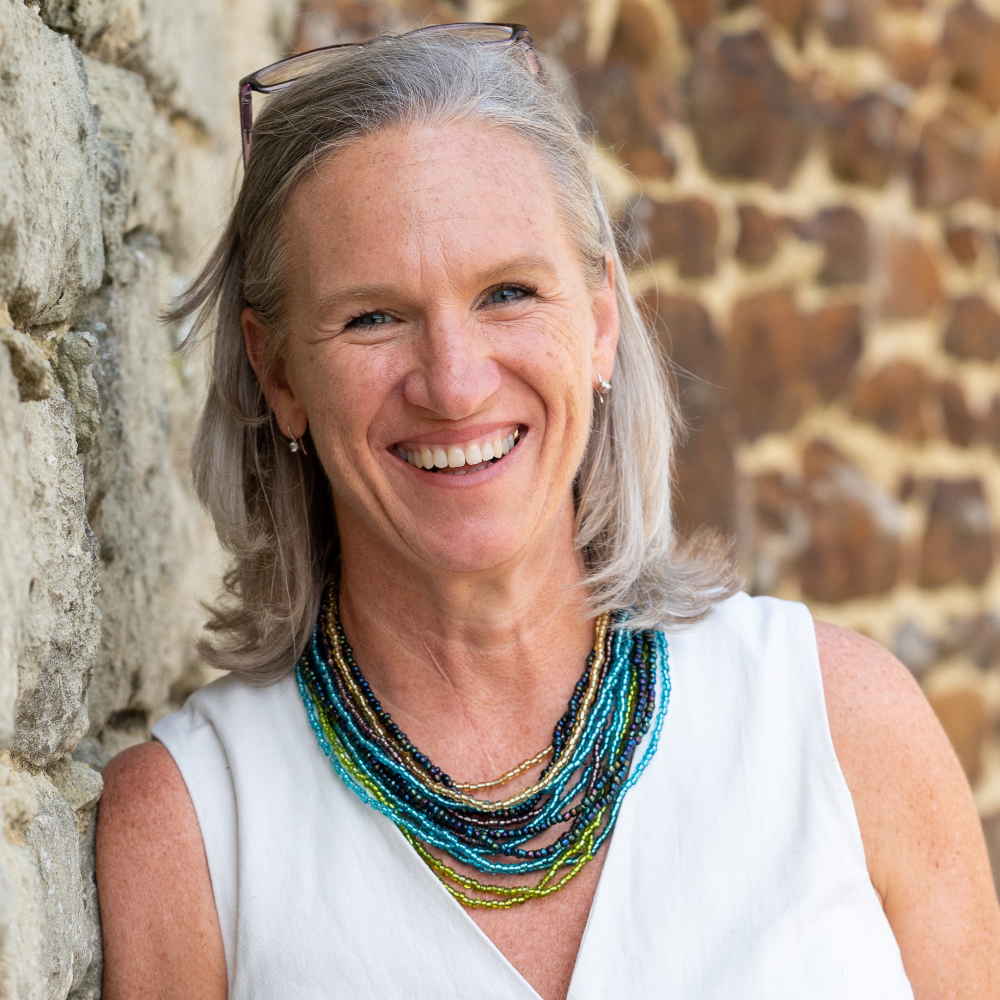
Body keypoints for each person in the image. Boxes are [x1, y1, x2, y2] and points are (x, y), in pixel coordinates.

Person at [95, 25, 1000, 1000]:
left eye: (507, 292)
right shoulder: (192, 829)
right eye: (373, 316)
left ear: (600, 321)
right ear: (279, 372)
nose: (453, 381)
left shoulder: (840, 725)